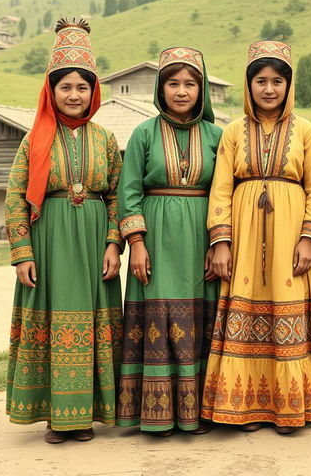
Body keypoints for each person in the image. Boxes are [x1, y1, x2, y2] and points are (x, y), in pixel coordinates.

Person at [5, 18, 123, 443]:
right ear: (51, 91)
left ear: (94, 92)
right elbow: (16, 197)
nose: (74, 95)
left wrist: (114, 243)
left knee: (92, 322)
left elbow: (116, 197)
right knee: (54, 321)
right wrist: (23, 253)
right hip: (49, 243)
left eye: (83, 87)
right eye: (65, 87)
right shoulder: (32, 140)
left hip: (94, 246)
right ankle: (58, 416)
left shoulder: (106, 139)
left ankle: (89, 412)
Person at [201, 41, 311, 434]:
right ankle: (246, 408)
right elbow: (221, 188)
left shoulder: (306, 131)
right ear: (248, 84)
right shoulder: (233, 132)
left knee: (286, 308)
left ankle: (288, 408)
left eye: (277, 81)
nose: (269, 89)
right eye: (260, 80)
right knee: (247, 310)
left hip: (291, 236)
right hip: (243, 236)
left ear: (289, 86)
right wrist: (220, 242)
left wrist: (308, 239)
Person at [116, 47, 222, 435]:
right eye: (172, 83)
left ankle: (199, 412)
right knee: (160, 312)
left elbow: (222, 192)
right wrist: (138, 243)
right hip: (156, 240)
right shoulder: (143, 133)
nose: (181, 91)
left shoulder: (217, 136)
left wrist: (219, 242)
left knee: (201, 314)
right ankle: (157, 414)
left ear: (202, 88)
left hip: (201, 237)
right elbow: (128, 191)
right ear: (160, 90)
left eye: (190, 83)